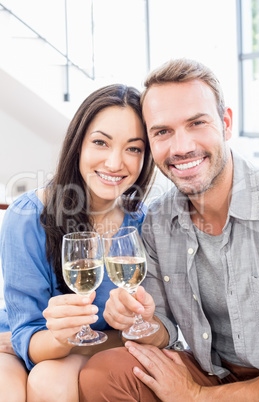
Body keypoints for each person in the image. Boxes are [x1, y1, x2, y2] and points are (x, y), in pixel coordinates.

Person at [79, 58, 259, 401]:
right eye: (163, 132)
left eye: (196, 123)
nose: (181, 148)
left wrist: (195, 396)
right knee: (104, 373)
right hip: (211, 369)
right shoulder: (157, 221)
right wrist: (140, 320)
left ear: (225, 124)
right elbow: (163, 329)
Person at [0, 83, 155, 402]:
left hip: (79, 350)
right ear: (78, 144)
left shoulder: (142, 225)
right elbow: (27, 338)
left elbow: (149, 333)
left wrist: (81, 340)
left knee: (50, 383)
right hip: (20, 346)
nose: (115, 163)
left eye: (133, 148)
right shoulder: (28, 216)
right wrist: (54, 338)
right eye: (101, 142)